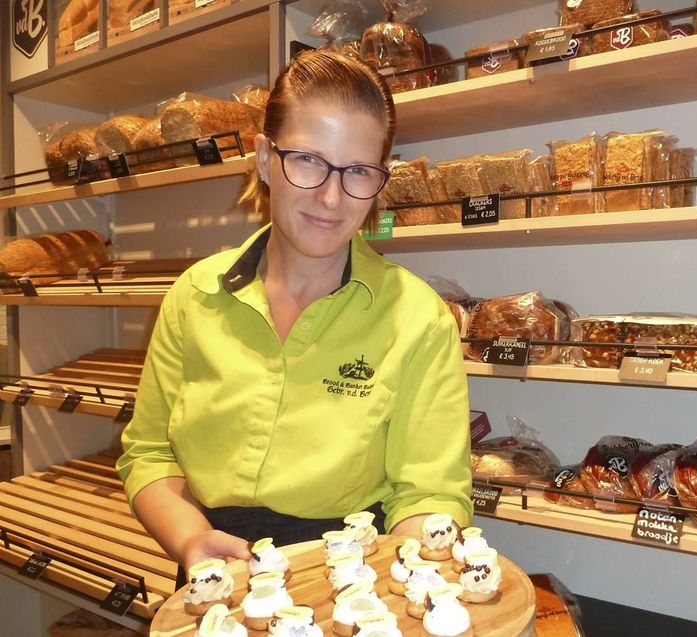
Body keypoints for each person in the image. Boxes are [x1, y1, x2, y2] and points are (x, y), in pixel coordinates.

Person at [115, 50, 473, 573]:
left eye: (357, 171)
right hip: (213, 564)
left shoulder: (419, 319)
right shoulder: (194, 295)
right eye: (308, 160)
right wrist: (191, 541)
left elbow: (429, 495)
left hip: (352, 574)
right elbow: (148, 454)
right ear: (265, 159)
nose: (331, 197)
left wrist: (413, 575)